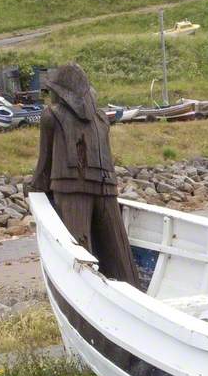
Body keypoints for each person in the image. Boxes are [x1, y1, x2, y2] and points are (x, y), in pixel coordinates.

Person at [31, 63, 140, 287]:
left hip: (70, 187)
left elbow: (45, 163)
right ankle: (133, 290)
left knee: (78, 248)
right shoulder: (102, 119)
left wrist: (35, 187)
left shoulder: (52, 116)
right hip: (106, 187)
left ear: (59, 92)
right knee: (117, 250)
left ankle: (82, 296)